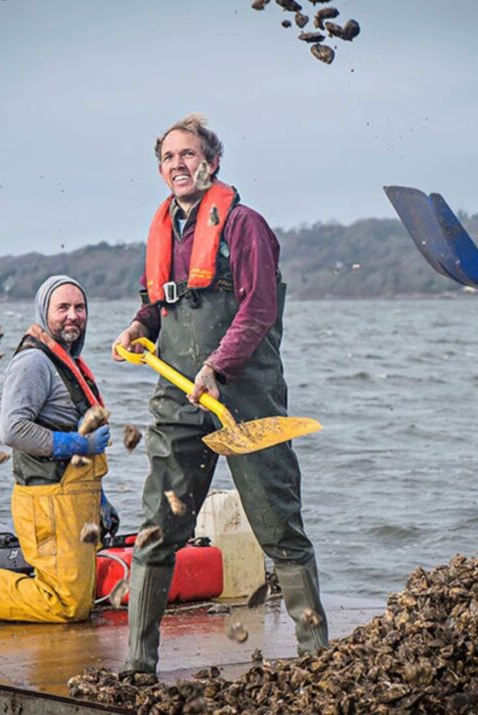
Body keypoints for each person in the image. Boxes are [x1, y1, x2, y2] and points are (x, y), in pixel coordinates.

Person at [111, 114, 329, 677]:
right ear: (161, 170)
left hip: (244, 400)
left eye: (189, 154)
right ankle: (138, 663)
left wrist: (217, 366)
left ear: (212, 163)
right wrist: (138, 327)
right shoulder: (163, 229)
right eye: (168, 157)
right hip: (178, 400)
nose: (178, 164)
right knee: (158, 528)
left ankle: (317, 660)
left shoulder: (244, 224)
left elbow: (259, 309)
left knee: (279, 527)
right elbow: (158, 305)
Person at [0, 275, 116, 622]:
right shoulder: (33, 363)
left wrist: (101, 502)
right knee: (68, 606)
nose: (72, 316)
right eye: (62, 308)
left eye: (79, 307)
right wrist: (79, 443)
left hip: (76, 498)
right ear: (44, 312)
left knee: (83, 598)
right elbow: (12, 430)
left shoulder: (68, 361)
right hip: (49, 500)